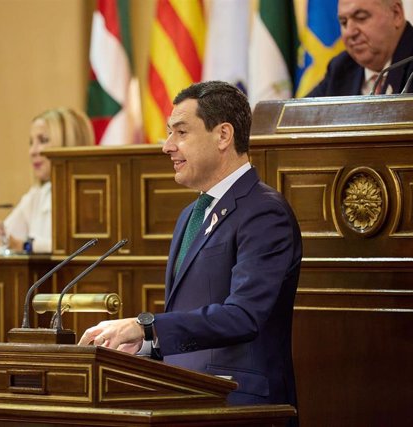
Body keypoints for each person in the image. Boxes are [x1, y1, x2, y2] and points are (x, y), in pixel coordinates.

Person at [79, 81, 302, 409]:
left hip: (239, 404)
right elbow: (189, 324)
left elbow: (242, 316)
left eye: (181, 132)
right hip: (187, 397)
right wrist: (143, 346)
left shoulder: (264, 211)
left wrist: (146, 328)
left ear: (223, 135)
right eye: (169, 133)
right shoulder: (191, 215)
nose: (167, 146)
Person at [307, 0, 413, 97]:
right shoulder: (341, 67)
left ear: (396, 14)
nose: (350, 32)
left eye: (361, 18)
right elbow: (294, 118)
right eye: (343, 22)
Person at [0, 108, 94, 253]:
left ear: (68, 144)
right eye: (31, 142)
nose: (33, 151)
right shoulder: (37, 195)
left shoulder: (90, 195)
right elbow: (3, 239)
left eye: (43, 140)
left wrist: (26, 246)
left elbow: (81, 248)